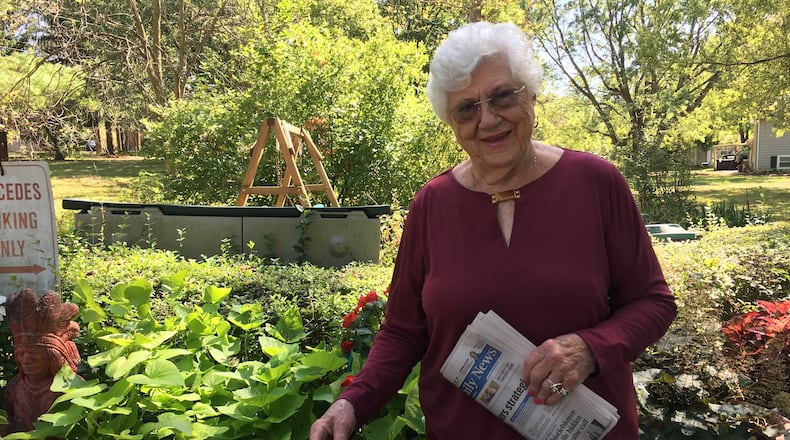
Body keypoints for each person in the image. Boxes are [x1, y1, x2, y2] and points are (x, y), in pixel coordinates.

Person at [310, 21, 676, 439]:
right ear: (451, 121)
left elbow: (653, 302)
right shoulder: (432, 204)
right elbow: (402, 331)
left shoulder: (596, 182)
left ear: (532, 95)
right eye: (467, 108)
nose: (488, 119)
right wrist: (350, 404)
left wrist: (592, 349)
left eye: (503, 96)